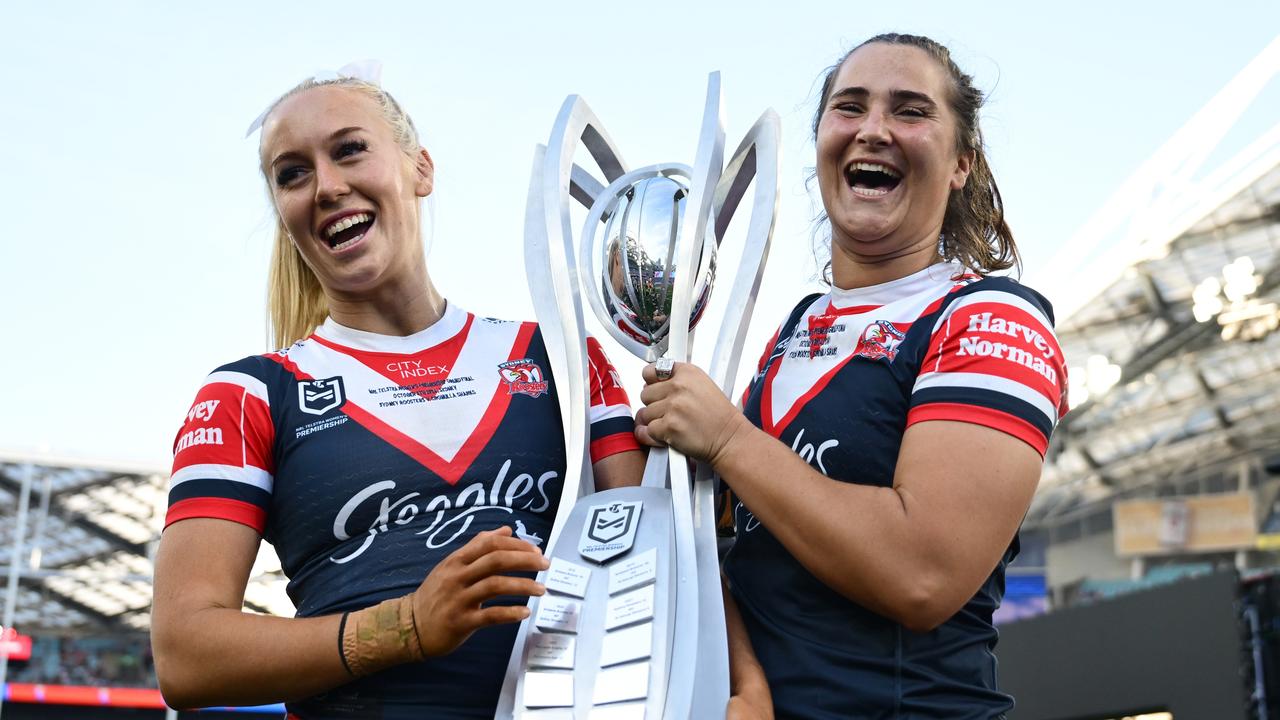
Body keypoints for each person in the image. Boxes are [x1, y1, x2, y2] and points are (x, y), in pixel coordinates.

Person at [150, 67, 645, 719]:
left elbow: (658, 554)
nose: (326, 186)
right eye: (292, 174)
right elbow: (186, 654)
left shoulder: (561, 358)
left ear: (420, 169)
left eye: (349, 149)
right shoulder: (248, 395)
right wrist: (405, 626)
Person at [636, 34, 1070, 719]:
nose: (873, 130)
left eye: (910, 111)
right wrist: (744, 683)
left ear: (962, 163)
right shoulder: (795, 329)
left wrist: (727, 441)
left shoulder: (989, 317)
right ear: (821, 145)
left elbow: (922, 574)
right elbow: (731, 550)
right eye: (850, 108)